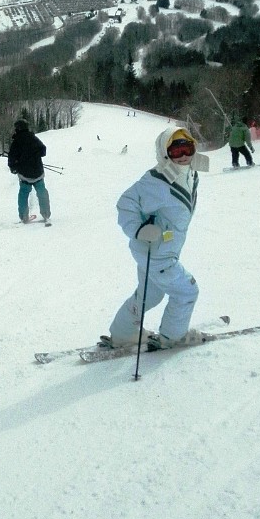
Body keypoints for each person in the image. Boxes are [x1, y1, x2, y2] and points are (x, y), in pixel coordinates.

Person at [101, 126, 209, 351]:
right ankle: (173, 336)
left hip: (155, 251)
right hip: (158, 254)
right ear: (164, 153)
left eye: (188, 149)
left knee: (150, 295)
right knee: (187, 291)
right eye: (176, 151)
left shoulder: (190, 174)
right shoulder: (156, 181)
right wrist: (139, 230)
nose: (183, 156)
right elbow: (126, 203)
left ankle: (123, 334)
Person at [7, 119, 51, 223]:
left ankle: (24, 216)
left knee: (23, 193)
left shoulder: (16, 141)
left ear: (17, 128)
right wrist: (33, 155)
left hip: (24, 174)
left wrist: (13, 167)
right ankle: (46, 214)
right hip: (38, 172)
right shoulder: (33, 138)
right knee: (42, 192)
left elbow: (11, 157)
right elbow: (43, 150)